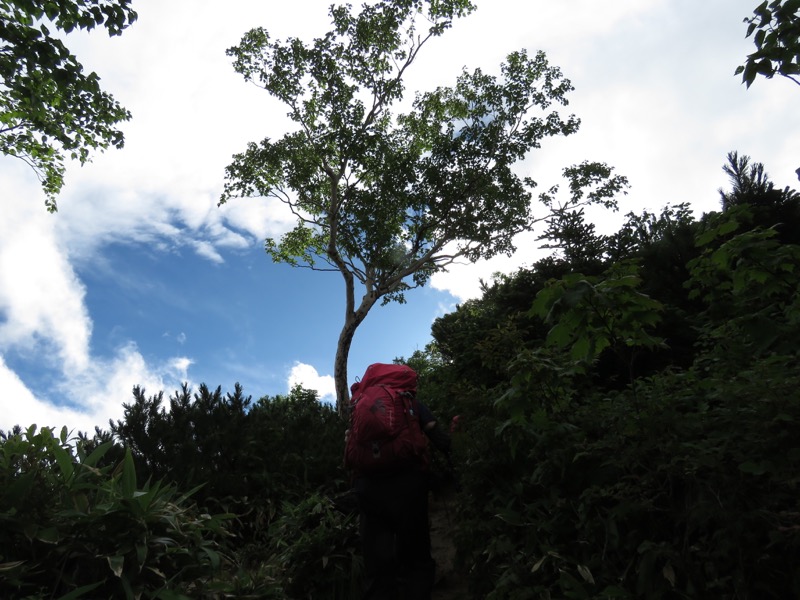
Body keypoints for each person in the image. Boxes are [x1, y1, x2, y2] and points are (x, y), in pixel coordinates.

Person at [349, 400, 451, 600]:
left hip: (369, 488)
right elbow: (436, 434)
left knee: (376, 561)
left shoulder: (361, 407)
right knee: (416, 558)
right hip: (409, 485)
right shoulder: (409, 401)